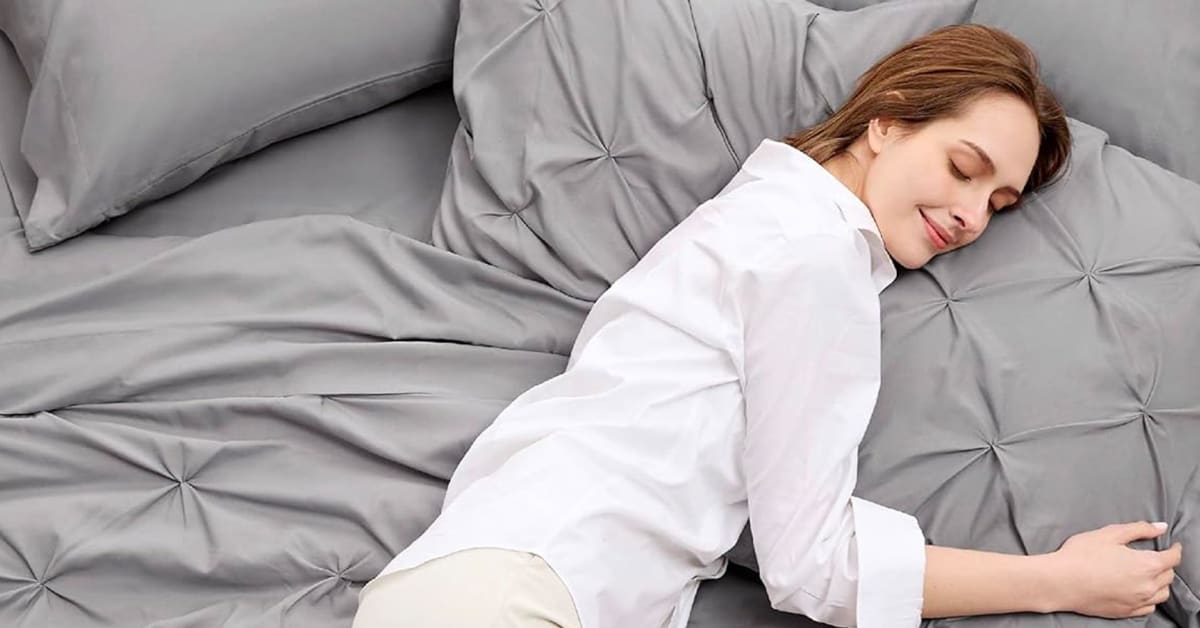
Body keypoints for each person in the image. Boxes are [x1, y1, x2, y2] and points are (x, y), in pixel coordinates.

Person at [352, 23, 1183, 628]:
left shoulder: (767, 213)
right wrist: (1057, 580)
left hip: (490, 573)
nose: (972, 214)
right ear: (887, 121)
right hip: (521, 586)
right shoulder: (814, 256)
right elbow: (814, 563)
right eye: (964, 168)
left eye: (998, 203)